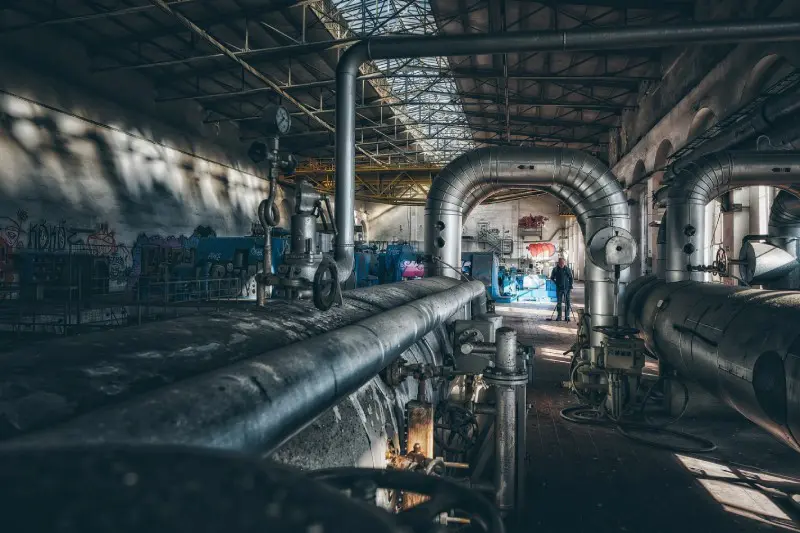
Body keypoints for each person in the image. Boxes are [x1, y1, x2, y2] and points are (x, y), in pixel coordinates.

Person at [550, 257, 573, 322]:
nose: (562, 264)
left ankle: (567, 317)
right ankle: (559, 317)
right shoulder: (555, 269)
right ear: (558, 263)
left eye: (563, 263)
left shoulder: (567, 269)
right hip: (559, 289)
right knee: (559, 303)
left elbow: (571, 278)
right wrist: (556, 283)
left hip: (566, 289)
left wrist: (570, 286)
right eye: (560, 263)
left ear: (564, 263)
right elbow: (552, 278)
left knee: (567, 303)